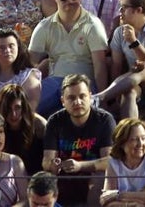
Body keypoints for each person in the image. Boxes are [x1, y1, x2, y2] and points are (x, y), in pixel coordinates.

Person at [28, 0, 109, 116]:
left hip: (84, 83)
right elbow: (29, 62)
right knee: (25, 107)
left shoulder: (93, 24)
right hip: (55, 81)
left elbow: (100, 66)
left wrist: (103, 101)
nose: (69, 1)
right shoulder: (45, 26)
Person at [43, 73, 117, 207]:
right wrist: (53, 164)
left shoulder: (104, 120)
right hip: (64, 177)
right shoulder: (55, 121)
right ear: (62, 101)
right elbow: (47, 161)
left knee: (101, 176)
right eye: (71, 98)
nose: (77, 102)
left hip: (92, 177)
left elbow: (110, 161)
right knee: (46, 177)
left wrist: (80, 166)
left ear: (90, 96)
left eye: (82, 96)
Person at [101, 117, 145, 207]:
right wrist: (131, 205)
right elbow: (106, 202)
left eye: (143, 138)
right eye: (134, 139)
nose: (140, 144)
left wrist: (118, 195)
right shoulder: (113, 163)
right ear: (122, 143)